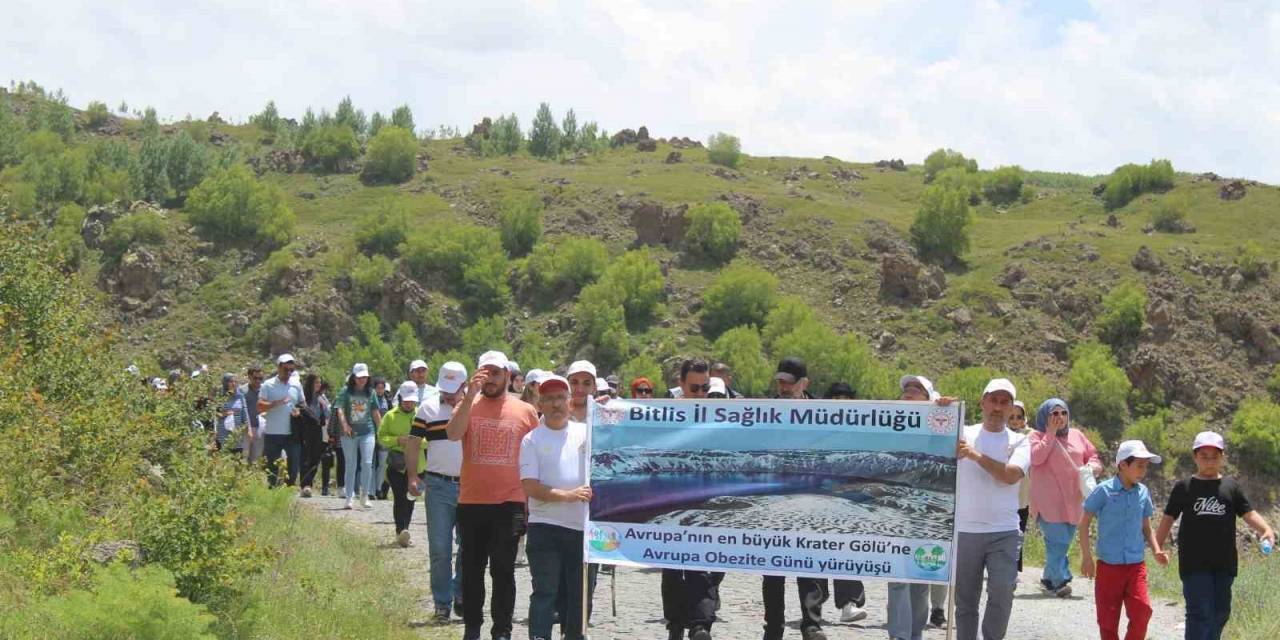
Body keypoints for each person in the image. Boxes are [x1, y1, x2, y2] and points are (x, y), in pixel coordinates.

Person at [443, 351, 539, 640]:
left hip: (510, 503)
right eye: (485, 372)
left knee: (503, 569)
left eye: (496, 373)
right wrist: (469, 396)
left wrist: (531, 501)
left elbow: (536, 454)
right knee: (472, 569)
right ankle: (472, 627)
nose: (491, 378)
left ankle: (502, 630)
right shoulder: (466, 404)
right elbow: (452, 434)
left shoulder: (524, 410)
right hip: (472, 501)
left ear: (507, 376)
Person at [1155, 431, 1276, 640]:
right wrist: (1157, 547)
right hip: (1193, 563)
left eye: (1214, 456)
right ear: (1195, 457)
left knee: (1221, 612)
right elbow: (1168, 518)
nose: (1209, 461)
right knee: (1199, 612)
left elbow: (1248, 513)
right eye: (1204, 456)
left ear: (1222, 457)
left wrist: (1266, 529)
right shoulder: (1184, 487)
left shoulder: (1231, 487)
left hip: (1224, 563)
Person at [519, 374, 598, 640]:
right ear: (540, 404)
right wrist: (570, 495)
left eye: (560, 398)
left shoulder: (586, 434)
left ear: (570, 402)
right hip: (545, 528)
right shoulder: (531, 440)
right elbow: (530, 487)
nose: (556, 404)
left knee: (578, 595)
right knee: (546, 592)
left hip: (579, 529)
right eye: (549, 399)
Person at [953, 378, 1029, 640]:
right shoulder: (962, 432)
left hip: (1004, 531)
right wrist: (939, 407)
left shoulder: (1020, 442)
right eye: (993, 400)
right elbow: (931, 430)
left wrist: (975, 456)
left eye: (1004, 402)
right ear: (982, 402)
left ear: (1011, 408)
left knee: (1002, 592)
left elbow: (1010, 476)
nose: (998, 407)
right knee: (965, 599)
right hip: (966, 529)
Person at [761, 356, 829, 640]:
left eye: (788, 383)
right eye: (779, 382)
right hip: (774, 498)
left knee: (809, 559)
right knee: (772, 568)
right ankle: (774, 626)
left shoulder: (825, 414)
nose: (783, 387)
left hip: (810, 496)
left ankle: (811, 624)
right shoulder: (764, 412)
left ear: (804, 384)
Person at [1079, 440, 1168, 640]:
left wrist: (1156, 550)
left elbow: (1146, 527)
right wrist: (1087, 556)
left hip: (1136, 567)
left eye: (1145, 466)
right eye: (1139, 465)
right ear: (1122, 465)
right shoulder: (1104, 490)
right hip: (1109, 567)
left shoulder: (1143, 492)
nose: (1143, 471)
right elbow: (1084, 523)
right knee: (1108, 621)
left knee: (1142, 611)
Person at [884, 375, 950, 640]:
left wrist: (946, 410)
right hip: (895, 511)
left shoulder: (940, 426)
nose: (909, 392)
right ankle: (899, 636)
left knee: (921, 580)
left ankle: (914, 634)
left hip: (927, 513)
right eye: (906, 389)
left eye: (917, 389)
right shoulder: (889, 425)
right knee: (898, 579)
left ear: (929, 398)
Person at [661, 358, 719, 640]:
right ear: (681, 384)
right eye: (694, 388)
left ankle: (700, 625)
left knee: (704, 564)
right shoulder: (662, 415)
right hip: (672, 499)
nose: (699, 394)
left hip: (706, 501)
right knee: (672, 565)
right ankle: (675, 623)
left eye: (704, 388)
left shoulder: (721, 416)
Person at [408, 361, 469, 622]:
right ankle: (442, 602)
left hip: (470, 487)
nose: (448, 394)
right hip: (438, 485)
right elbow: (413, 443)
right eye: (445, 388)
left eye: (454, 389)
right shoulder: (428, 408)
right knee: (440, 548)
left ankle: (462, 594)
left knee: (469, 547)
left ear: (465, 386)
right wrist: (412, 475)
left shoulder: (473, 409)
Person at [1028, 398, 1101, 597]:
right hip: (1048, 502)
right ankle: (1059, 582)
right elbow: (1036, 458)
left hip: (1073, 500)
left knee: (1060, 543)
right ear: (1045, 417)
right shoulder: (1036, 436)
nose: (1059, 418)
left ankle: (1048, 578)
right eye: (1054, 414)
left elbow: (1092, 456)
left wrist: (1092, 467)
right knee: (1058, 541)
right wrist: (1050, 434)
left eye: (1063, 413)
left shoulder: (1077, 435)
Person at [378, 380, 425, 547]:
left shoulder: (422, 414)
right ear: (400, 398)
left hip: (418, 465)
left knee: (412, 498)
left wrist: (415, 442)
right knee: (399, 497)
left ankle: (406, 529)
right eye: (406, 400)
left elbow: (430, 440)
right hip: (396, 465)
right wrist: (397, 440)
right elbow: (381, 438)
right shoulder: (390, 416)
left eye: (412, 400)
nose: (409, 403)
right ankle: (400, 530)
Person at [335, 363, 381, 510]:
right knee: (351, 464)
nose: (362, 380)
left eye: (365, 377)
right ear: (354, 377)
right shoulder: (345, 392)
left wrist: (381, 429)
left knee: (367, 463)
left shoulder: (371, 392)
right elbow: (340, 410)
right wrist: (345, 425)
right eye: (359, 377)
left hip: (367, 431)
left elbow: (375, 412)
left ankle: (365, 494)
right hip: (349, 433)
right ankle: (349, 496)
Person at [257, 354, 304, 487]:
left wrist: (299, 411)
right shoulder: (268, 385)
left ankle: (287, 494)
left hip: (292, 433)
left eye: (291, 370)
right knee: (272, 469)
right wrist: (276, 403)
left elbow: (303, 403)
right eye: (286, 369)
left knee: (293, 468)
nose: (288, 372)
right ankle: (273, 495)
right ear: (278, 368)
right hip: (273, 433)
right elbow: (259, 406)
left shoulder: (296, 384)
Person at [1007, 401, 1032, 584]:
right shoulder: (1001, 434)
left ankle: (1014, 568)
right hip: (1004, 491)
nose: (1015, 421)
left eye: (1019, 416)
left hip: (1023, 492)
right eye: (1012, 416)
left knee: (1019, 530)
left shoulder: (1031, 436)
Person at [296, 373, 329, 497]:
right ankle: (304, 485)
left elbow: (326, 413)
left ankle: (309, 483)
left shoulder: (321, 397)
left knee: (316, 457)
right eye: (316, 382)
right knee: (305, 457)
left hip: (318, 429)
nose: (319, 385)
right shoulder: (304, 397)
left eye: (320, 382)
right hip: (305, 429)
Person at [371, 376, 393, 500]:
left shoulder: (388, 401)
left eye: (382, 388)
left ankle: (378, 488)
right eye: (378, 388)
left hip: (384, 436)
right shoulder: (370, 400)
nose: (380, 390)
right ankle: (370, 489)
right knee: (371, 463)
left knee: (382, 463)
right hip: (371, 433)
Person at [215, 373, 248, 453]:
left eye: (235, 382)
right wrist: (224, 414)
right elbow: (214, 413)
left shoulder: (240, 396)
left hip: (237, 434)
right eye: (231, 382)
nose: (233, 384)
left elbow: (245, 412)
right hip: (223, 434)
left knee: (237, 459)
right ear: (225, 383)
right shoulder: (220, 397)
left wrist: (247, 427)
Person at [240, 365, 265, 463]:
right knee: (244, 457)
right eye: (255, 378)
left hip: (260, 428)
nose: (258, 381)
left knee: (256, 458)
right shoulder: (242, 391)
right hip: (245, 429)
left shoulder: (264, 390)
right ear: (249, 377)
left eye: (260, 378)